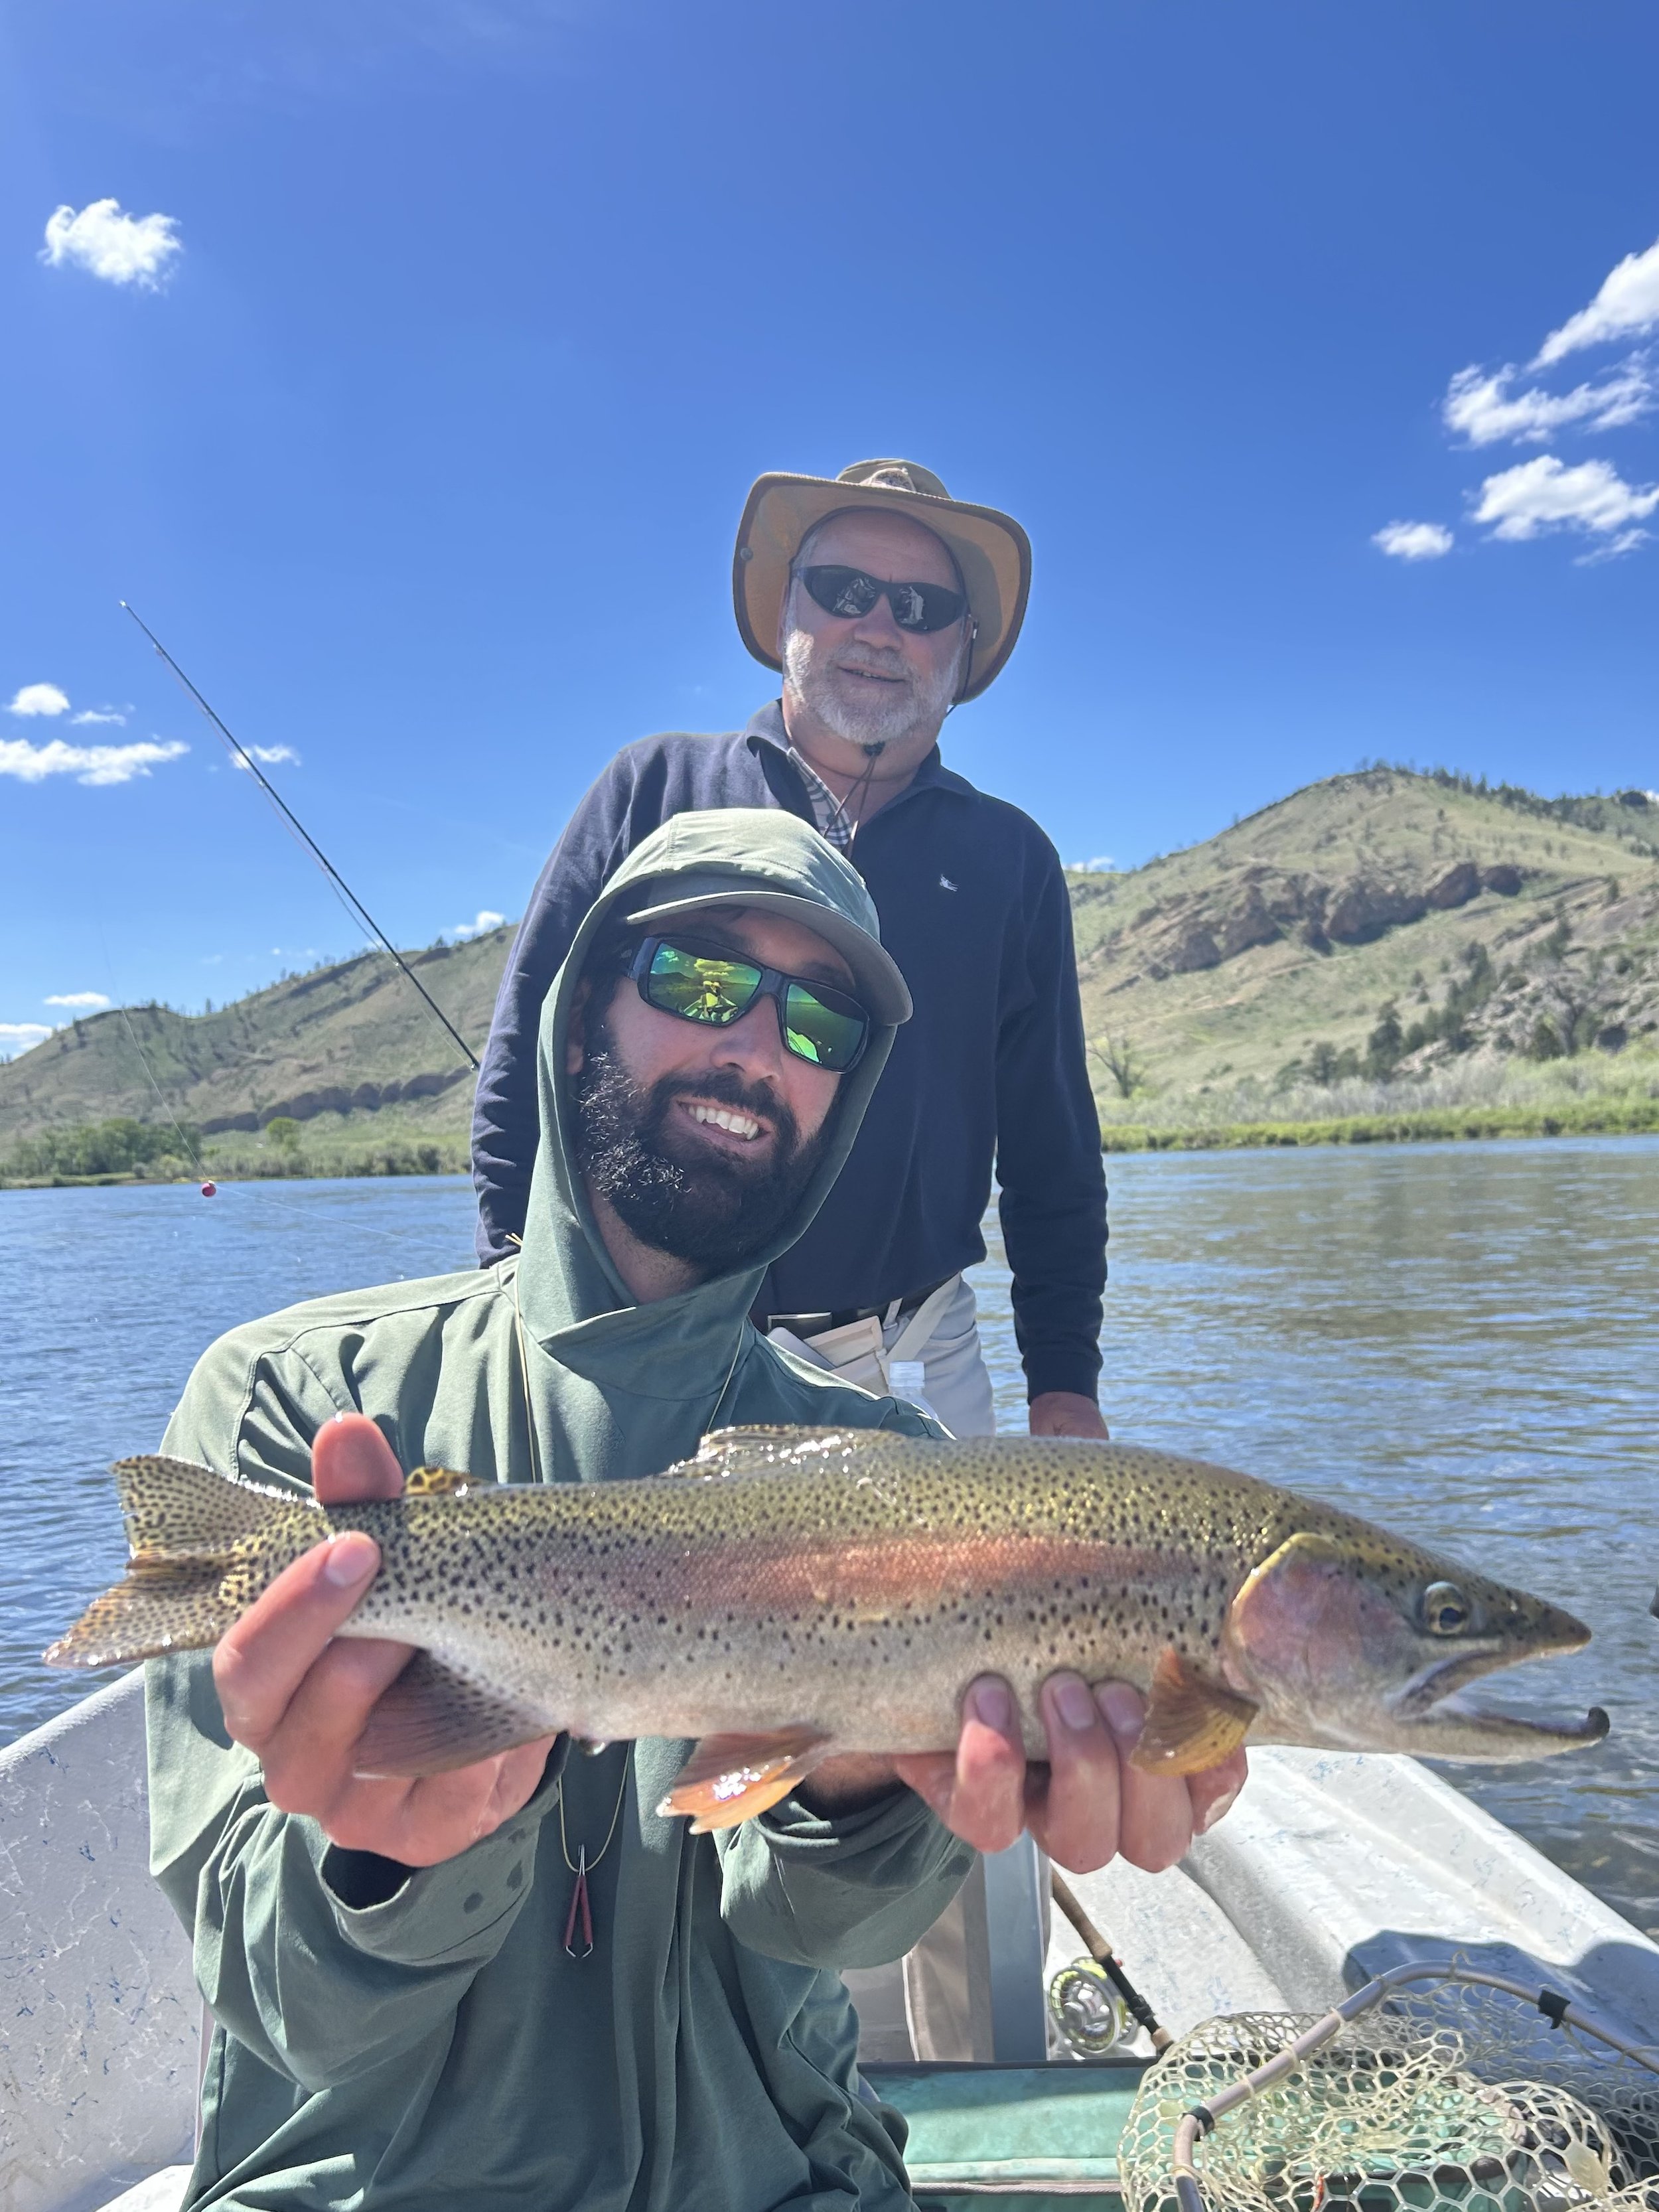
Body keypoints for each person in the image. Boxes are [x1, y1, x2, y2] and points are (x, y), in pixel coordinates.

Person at [147, 810, 1242, 2212]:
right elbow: (278, 2005)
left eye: (820, 1019)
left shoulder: (887, 1461)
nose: (757, 1044)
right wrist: (380, 1852)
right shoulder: (290, 1399)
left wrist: (849, 1758)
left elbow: (819, 1929)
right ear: (580, 1005)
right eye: (700, 980)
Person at [472, 458, 1108, 1445]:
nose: (880, 626)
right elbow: (527, 1056)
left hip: (919, 1351)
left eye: (922, 605)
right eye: (844, 591)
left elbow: (1051, 1154)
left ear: (964, 648)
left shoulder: (1012, 861)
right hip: (639, 1347)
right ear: (787, 616)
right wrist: (507, 1292)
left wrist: (1066, 1385)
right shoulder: (651, 789)